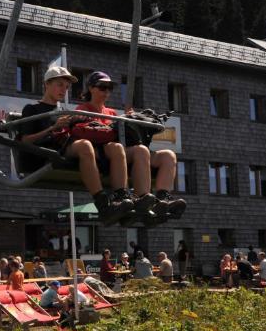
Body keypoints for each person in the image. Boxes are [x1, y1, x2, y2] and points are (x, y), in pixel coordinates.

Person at [18, 66, 132, 224]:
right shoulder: (33, 109)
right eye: (59, 85)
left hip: (65, 149)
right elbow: (25, 141)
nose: (63, 90)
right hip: (47, 153)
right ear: (47, 84)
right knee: (84, 146)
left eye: (66, 87)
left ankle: (122, 197)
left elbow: (72, 135)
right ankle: (102, 202)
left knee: (104, 147)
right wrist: (53, 128)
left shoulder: (64, 111)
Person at [76, 71, 185, 224]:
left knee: (168, 155)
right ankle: (141, 198)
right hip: (102, 152)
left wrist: (131, 121)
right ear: (91, 88)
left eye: (109, 88)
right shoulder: (82, 109)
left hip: (118, 151)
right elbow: (83, 133)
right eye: (102, 87)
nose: (106, 92)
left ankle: (161, 198)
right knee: (138, 150)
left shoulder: (111, 112)